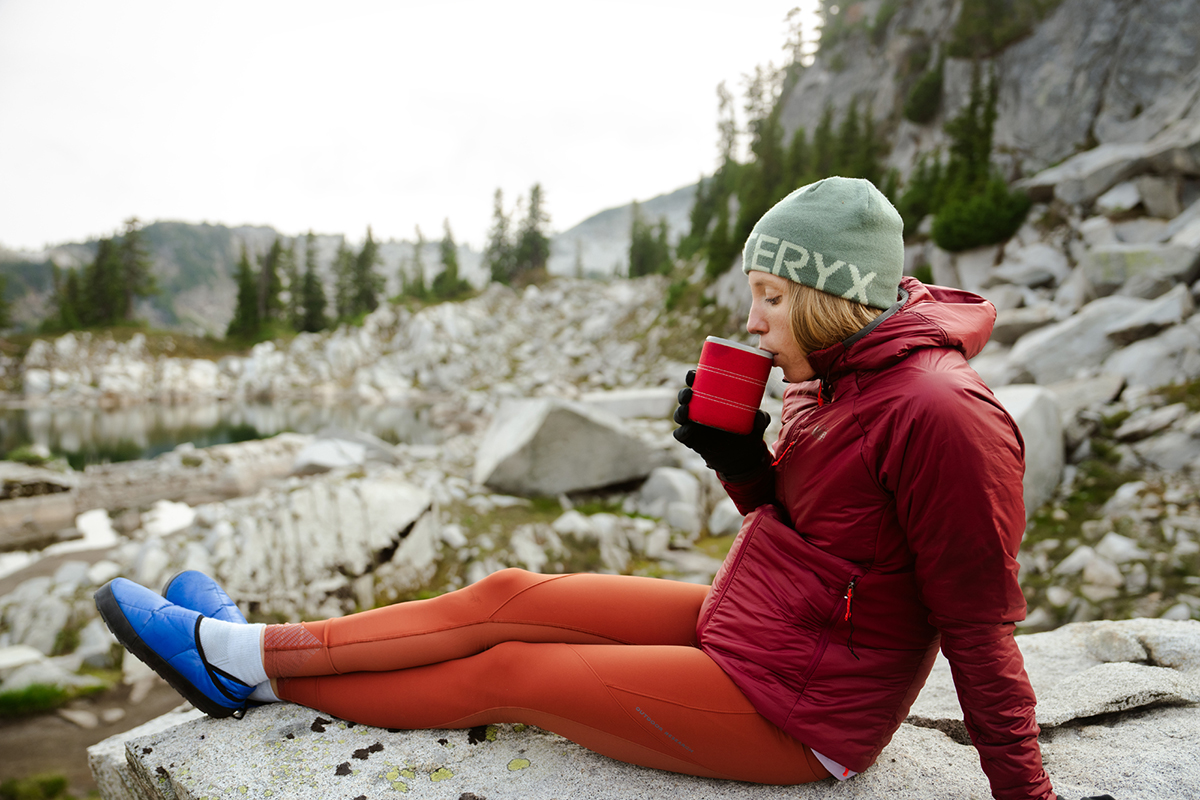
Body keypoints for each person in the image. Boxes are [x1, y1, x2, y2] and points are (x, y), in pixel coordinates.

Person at [96, 177, 1059, 798]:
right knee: (510, 596)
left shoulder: (938, 411)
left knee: (513, 675)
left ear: (823, 294)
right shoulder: (840, 372)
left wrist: (1026, 794)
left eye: (769, 297)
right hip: (759, 625)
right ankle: (249, 653)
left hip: (802, 709)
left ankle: (239, 665)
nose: (752, 319)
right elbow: (805, 532)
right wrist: (734, 457)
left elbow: (976, 622)